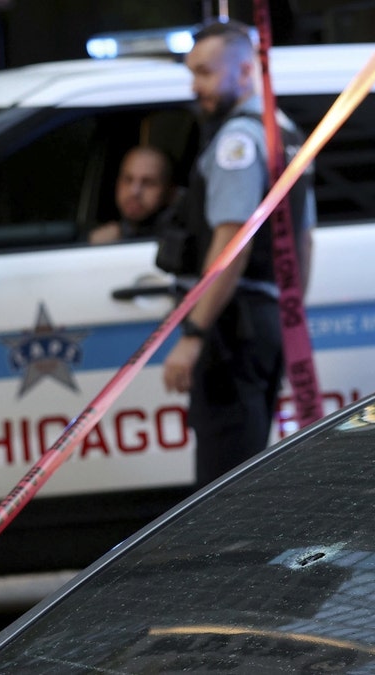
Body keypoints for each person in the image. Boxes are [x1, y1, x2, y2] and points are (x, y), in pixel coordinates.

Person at [159, 19, 315, 486]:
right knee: (246, 472)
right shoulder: (284, 133)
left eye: (205, 73)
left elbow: (231, 247)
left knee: (221, 485)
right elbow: (301, 244)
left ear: (245, 70)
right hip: (262, 323)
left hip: (230, 327)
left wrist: (193, 334)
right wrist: (288, 324)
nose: (195, 86)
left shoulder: (237, 141)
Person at [88, 145, 180, 244]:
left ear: (171, 192)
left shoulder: (178, 240)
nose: (134, 191)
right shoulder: (96, 236)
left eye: (148, 183)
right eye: (128, 180)